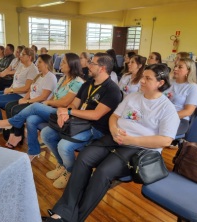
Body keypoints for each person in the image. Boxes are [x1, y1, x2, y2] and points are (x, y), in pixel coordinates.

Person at [43, 63, 180, 222]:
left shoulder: (167, 109)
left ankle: (72, 219)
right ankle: (63, 212)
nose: (142, 81)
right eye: (142, 76)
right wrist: (114, 130)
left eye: (147, 78)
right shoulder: (133, 96)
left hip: (138, 148)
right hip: (115, 138)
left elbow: (165, 140)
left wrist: (132, 140)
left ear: (160, 83)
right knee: (83, 159)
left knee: (103, 172)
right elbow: (114, 117)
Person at [40, 52, 122, 189]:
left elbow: (96, 115)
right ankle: (63, 165)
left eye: (92, 63)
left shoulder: (112, 90)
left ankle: (70, 172)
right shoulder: (87, 84)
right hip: (78, 123)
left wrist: (69, 111)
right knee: (46, 134)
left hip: (96, 128)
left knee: (64, 146)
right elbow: (75, 104)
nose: (88, 66)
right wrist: (65, 113)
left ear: (102, 68)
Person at [0, 53, 84, 159]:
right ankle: (33, 150)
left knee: (35, 106)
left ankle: (9, 122)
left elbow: (64, 102)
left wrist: (47, 103)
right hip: (53, 110)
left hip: (62, 114)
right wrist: (49, 103)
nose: (60, 63)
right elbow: (54, 96)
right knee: (31, 119)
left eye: (63, 62)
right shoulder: (63, 78)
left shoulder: (77, 82)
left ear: (71, 65)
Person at [3, 54, 57, 148]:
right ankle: (14, 132)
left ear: (46, 64)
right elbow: (31, 90)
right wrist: (25, 98)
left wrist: (27, 101)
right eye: (37, 61)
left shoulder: (50, 77)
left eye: (40, 62)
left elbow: (43, 97)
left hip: (39, 104)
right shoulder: (39, 76)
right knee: (9, 106)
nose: (37, 64)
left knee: (16, 110)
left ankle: (17, 135)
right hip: (31, 100)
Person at [0, 47, 38, 137]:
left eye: (22, 54)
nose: (20, 56)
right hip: (14, 91)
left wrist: (11, 90)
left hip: (21, 95)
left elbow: (26, 88)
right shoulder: (21, 65)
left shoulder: (32, 69)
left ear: (29, 57)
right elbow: (16, 81)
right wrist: (10, 88)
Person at [164, 58, 197, 135]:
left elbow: (188, 111)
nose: (175, 69)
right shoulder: (169, 83)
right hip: (161, 116)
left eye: (180, 67)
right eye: (175, 66)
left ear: (189, 71)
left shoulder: (193, 87)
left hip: (180, 120)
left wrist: (166, 117)